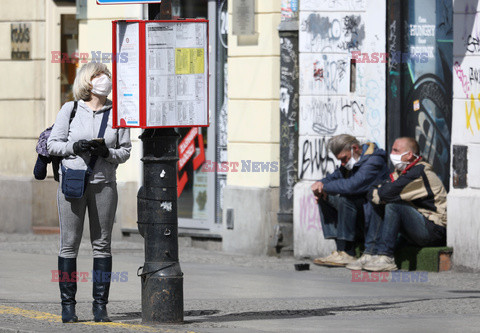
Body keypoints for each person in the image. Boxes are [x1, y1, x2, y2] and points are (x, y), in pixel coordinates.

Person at [47, 62, 131, 323]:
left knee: (102, 246)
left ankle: (99, 307)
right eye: (97, 75)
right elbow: (53, 145)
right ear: (87, 81)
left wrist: (108, 153)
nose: (104, 79)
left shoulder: (119, 112)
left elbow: (126, 151)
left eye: (105, 75)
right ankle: (68, 306)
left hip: (104, 184)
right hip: (73, 183)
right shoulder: (70, 110)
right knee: (69, 245)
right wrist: (75, 146)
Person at [363, 137, 447, 272]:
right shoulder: (400, 173)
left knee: (393, 205)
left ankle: (386, 257)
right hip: (418, 224)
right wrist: (379, 194)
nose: (392, 154)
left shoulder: (419, 172)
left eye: (396, 151)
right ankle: (371, 253)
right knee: (380, 202)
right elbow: (372, 189)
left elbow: (386, 193)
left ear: (408, 155)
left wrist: (380, 194)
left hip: (434, 229)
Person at [311, 134, 389, 267]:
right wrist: (320, 184)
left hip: (371, 214)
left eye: (344, 159)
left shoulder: (374, 161)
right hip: (359, 212)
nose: (343, 163)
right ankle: (340, 248)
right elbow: (334, 177)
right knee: (324, 196)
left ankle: (347, 251)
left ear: (355, 148)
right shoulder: (350, 162)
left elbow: (353, 186)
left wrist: (325, 187)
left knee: (346, 197)